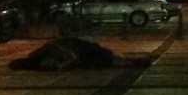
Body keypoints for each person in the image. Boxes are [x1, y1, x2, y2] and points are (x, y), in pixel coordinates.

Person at [8, 37, 152, 70]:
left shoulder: (40, 57)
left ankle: (132, 62)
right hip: (81, 49)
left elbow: (68, 55)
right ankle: (131, 62)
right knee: (107, 57)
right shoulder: (38, 57)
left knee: (107, 57)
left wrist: (65, 63)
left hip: (80, 51)